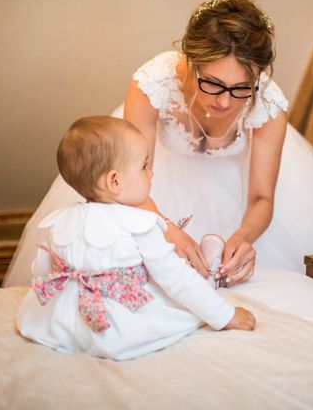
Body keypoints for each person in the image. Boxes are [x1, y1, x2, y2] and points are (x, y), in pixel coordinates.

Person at [4, 0, 313, 288]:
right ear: (190, 62)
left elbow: (261, 198)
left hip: (235, 199)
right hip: (148, 191)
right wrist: (168, 231)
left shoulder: (268, 104)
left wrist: (245, 238)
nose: (224, 102)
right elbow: (132, 183)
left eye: (242, 88)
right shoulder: (153, 84)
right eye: (213, 84)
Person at [16, 116, 255, 361]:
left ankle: (207, 266)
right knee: (181, 301)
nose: (151, 174)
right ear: (115, 181)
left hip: (67, 322)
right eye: (144, 167)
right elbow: (176, 280)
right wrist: (225, 315)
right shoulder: (139, 225)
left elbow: (42, 270)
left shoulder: (60, 220)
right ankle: (211, 271)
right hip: (113, 325)